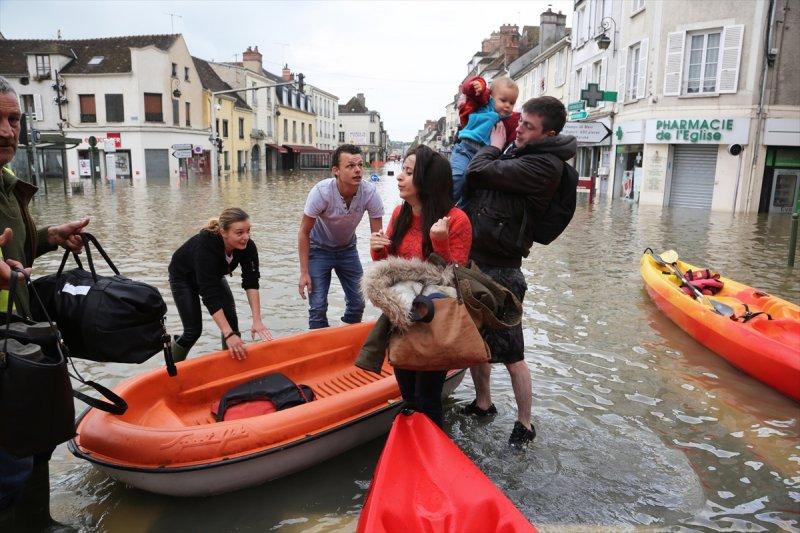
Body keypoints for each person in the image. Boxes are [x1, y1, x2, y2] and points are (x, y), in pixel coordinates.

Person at [0, 75, 90, 532]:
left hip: (18, 331)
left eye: (12, 119)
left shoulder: (7, 182)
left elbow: (18, 247)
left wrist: (52, 237)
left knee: (38, 438)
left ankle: (38, 523)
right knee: (8, 463)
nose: (6, 131)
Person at [462, 96, 577, 448]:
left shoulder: (544, 166)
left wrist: (491, 146)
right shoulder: (521, 152)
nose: (519, 128)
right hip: (479, 259)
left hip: (505, 268)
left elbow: (478, 171)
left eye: (528, 125)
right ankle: (484, 403)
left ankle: (525, 423)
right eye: (521, 121)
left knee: (513, 353)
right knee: (474, 344)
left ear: (549, 133)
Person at [370, 145, 472, 428]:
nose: (400, 177)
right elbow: (389, 267)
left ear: (428, 180)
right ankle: (413, 447)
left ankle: (435, 452)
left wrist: (440, 243)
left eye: (409, 172)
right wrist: (378, 250)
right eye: (402, 170)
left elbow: (457, 278)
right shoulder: (399, 215)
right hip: (401, 314)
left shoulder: (457, 220)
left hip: (434, 319)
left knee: (427, 398)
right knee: (408, 396)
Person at [168, 207, 272, 361]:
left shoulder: (248, 246)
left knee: (232, 327)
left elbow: (251, 281)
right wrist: (227, 333)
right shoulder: (205, 245)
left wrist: (257, 320)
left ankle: (231, 364)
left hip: (212, 276)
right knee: (193, 331)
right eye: (239, 233)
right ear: (223, 232)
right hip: (183, 278)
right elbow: (209, 295)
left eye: (248, 231)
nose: (246, 237)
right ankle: (170, 367)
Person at [298, 144, 384, 329]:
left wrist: (380, 270)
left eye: (360, 165)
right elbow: (304, 232)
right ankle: (319, 348)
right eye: (350, 166)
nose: (358, 170)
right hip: (318, 249)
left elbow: (377, 237)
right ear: (335, 171)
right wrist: (304, 272)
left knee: (358, 302)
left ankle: (345, 340)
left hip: (348, 250)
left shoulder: (369, 193)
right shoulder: (321, 192)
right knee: (318, 307)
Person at [451, 76, 519, 206]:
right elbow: (469, 90)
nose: (507, 105)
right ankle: (443, 206)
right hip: (466, 149)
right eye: (503, 100)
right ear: (491, 96)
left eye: (511, 103)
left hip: (483, 158)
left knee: (471, 190)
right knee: (458, 177)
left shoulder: (509, 119)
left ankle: (460, 213)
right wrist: (477, 85)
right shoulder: (485, 103)